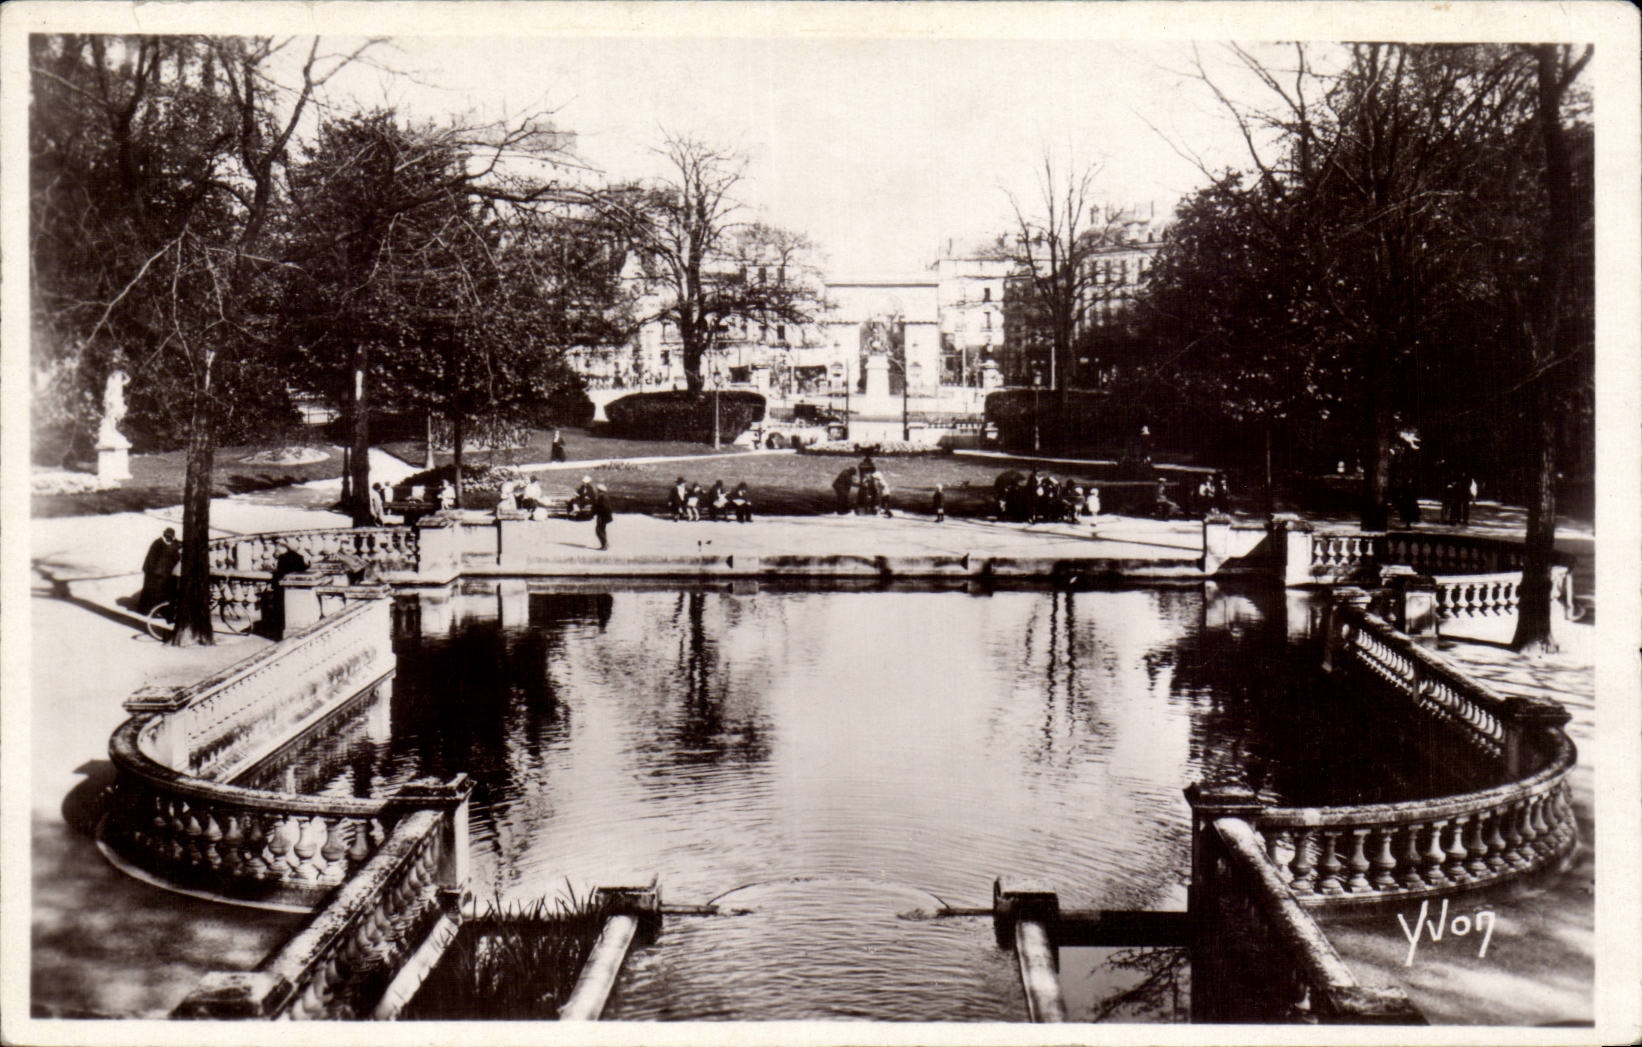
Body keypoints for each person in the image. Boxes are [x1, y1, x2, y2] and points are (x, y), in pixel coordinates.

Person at [139, 527, 180, 612]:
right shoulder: (158, 543)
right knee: (149, 590)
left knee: (160, 591)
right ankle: (144, 609)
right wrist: (152, 571)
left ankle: (156, 608)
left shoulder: (174, 544)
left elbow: (176, 556)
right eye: (167, 536)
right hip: (153, 571)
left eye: (170, 537)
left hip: (164, 572)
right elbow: (151, 558)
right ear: (164, 535)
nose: (168, 538)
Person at [592, 484, 614, 550]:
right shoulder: (605, 497)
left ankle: (605, 544)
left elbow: (603, 507)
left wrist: (597, 513)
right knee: (602, 530)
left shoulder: (601, 497)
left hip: (602, 516)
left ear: (599, 490)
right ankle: (604, 544)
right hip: (604, 516)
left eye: (597, 490)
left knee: (599, 530)